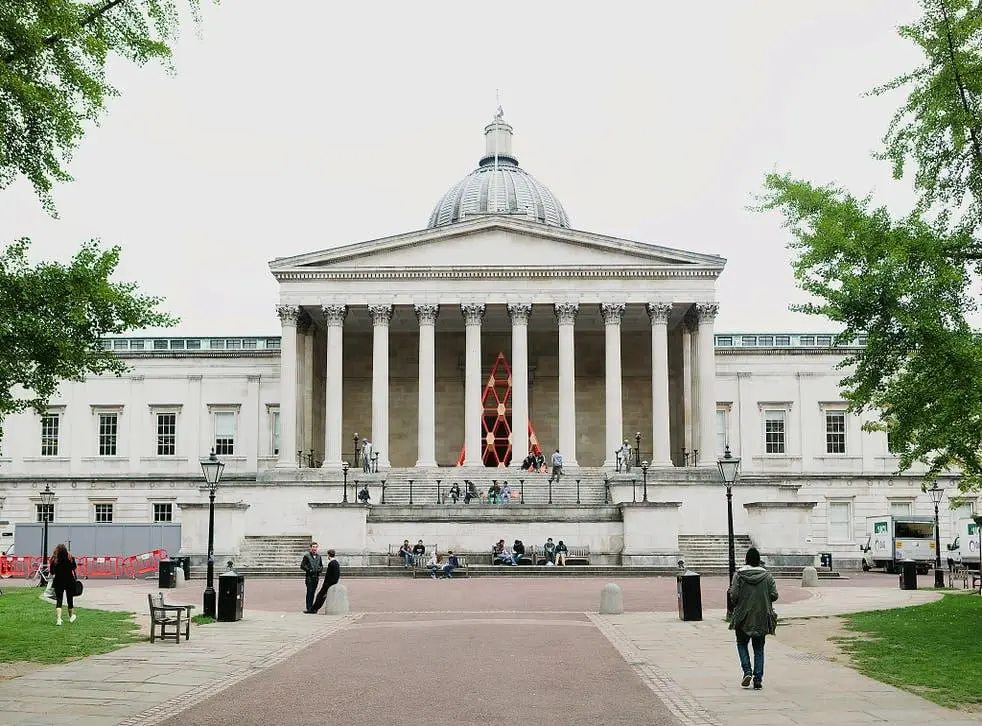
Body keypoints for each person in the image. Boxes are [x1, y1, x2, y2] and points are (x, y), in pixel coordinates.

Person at [728, 547, 778, 690]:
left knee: (741, 644)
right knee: (759, 648)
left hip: (743, 615)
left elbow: (734, 597)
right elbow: (774, 595)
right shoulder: (767, 576)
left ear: (746, 560)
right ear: (758, 560)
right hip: (761, 615)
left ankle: (747, 671)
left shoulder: (738, 575)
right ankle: (758, 679)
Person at [48, 544, 77, 626]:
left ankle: (59, 619)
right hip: (69, 581)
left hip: (58, 581)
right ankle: (71, 617)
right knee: (70, 599)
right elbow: (74, 567)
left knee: (59, 600)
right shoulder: (70, 558)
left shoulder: (54, 559)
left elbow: (52, 572)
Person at [311, 549, 341, 613]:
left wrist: (326, 584)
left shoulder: (331, 563)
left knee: (320, 596)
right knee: (321, 596)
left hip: (328, 584)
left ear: (328, 555)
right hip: (332, 583)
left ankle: (314, 609)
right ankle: (314, 608)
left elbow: (328, 576)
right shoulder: (336, 563)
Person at [300, 542, 324, 613]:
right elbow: (302, 566)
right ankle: (309, 608)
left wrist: (319, 570)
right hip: (309, 577)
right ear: (310, 548)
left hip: (316, 577)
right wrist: (309, 570)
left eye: (316, 547)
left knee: (313, 592)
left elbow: (321, 565)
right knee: (309, 592)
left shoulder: (319, 556)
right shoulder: (306, 556)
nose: (314, 548)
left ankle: (312, 608)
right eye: (313, 547)